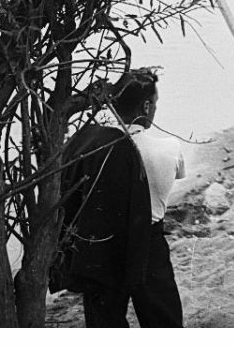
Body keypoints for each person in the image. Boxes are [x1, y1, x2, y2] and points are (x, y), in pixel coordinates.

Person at [59, 69, 186, 327]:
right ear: (147, 106)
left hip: (104, 243)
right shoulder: (168, 148)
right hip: (148, 241)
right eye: (155, 104)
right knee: (162, 319)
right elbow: (178, 174)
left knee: (105, 323)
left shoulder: (93, 145)